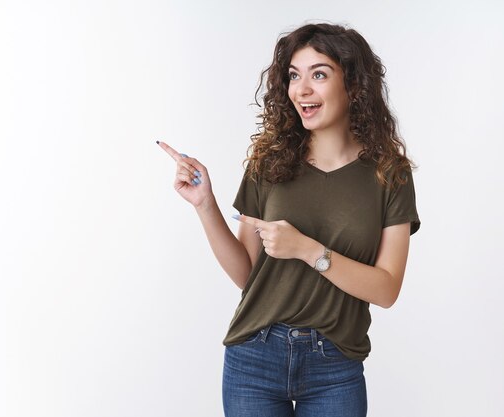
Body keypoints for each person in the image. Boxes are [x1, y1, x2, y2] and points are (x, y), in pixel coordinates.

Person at [157, 22, 420, 417]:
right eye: (295, 76)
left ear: (353, 85)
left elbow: (386, 290)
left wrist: (308, 250)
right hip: (254, 358)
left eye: (319, 74)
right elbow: (248, 274)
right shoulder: (269, 163)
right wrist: (205, 204)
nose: (302, 89)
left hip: (335, 365)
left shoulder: (389, 174)